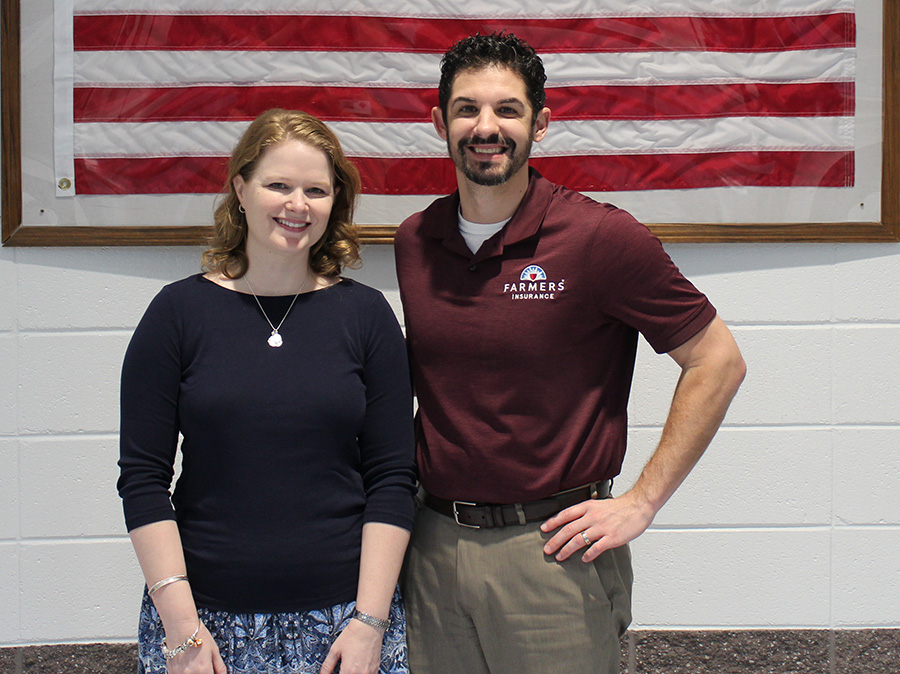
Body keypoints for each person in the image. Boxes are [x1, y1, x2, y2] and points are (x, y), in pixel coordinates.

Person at [394, 33, 747, 674]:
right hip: (433, 548)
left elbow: (717, 360)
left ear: (541, 123)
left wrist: (641, 499)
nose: (486, 127)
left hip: (552, 552)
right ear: (440, 122)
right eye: (468, 109)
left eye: (508, 109)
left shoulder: (599, 238)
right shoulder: (417, 239)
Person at [118, 108, 417, 674]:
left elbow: (393, 478)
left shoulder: (366, 316)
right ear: (240, 188)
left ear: (336, 203)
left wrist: (370, 623)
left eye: (316, 190)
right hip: (204, 627)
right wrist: (181, 628)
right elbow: (143, 479)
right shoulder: (177, 314)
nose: (296, 205)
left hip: (344, 626)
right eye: (278, 185)